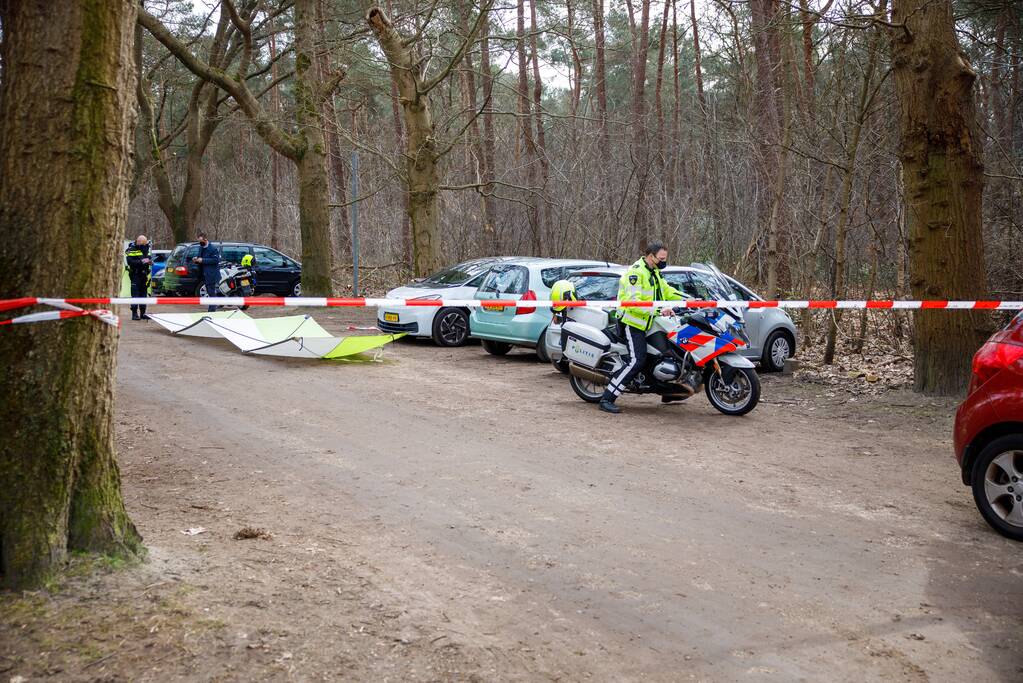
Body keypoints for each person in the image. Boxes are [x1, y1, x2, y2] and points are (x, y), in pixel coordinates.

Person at [599, 241, 686, 414]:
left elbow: (667, 291)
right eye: (661, 258)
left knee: (664, 352)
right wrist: (661, 309)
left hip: (648, 322)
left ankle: (667, 390)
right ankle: (607, 398)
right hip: (633, 324)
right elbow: (634, 304)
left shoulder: (653, 272)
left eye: (665, 259)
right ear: (651, 256)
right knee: (636, 360)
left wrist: (689, 299)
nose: (663, 262)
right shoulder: (636, 273)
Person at [192, 232, 221, 312]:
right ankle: (212, 308)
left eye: (201, 241)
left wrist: (203, 260)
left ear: (205, 239)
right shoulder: (201, 247)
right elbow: (200, 258)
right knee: (209, 291)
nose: (200, 243)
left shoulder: (213, 248)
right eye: (199, 241)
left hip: (211, 274)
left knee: (211, 292)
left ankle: (212, 310)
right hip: (203, 273)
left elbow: (216, 260)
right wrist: (196, 260)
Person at [125, 235, 152, 321]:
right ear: (138, 242)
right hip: (135, 275)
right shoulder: (131, 249)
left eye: (145, 243)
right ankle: (134, 314)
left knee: (143, 294)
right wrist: (142, 262)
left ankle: (143, 313)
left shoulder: (146, 248)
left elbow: (148, 258)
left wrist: (150, 261)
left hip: (144, 275)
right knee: (135, 295)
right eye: (142, 243)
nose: (144, 245)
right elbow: (130, 262)